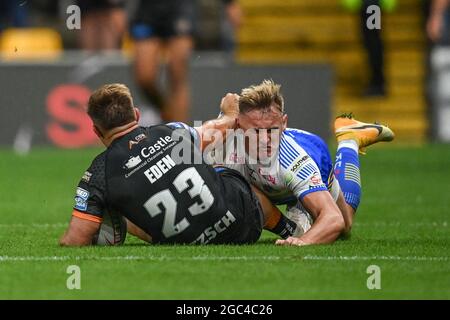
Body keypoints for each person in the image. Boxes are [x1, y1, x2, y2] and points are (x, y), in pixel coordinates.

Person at [59, 84, 301, 246]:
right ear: (136, 114)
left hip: (185, 242)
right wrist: (228, 110)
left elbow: (77, 238)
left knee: (120, 204)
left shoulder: (98, 174)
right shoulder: (172, 132)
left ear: (95, 130)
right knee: (215, 164)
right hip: (243, 227)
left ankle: (121, 220)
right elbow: (221, 127)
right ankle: (287, 228)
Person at [216, 80, 395, 246]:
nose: (265, 140)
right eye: (255, 132)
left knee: (345, 224)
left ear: (284, 123)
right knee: (236, 185)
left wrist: (304, 242)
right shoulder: (224, 137)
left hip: (313, 155)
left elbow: (333, 219)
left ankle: (349, 139)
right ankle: (294, 224)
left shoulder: (295, 161)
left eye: (271, 130)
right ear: (238, 126)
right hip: (265, 183)